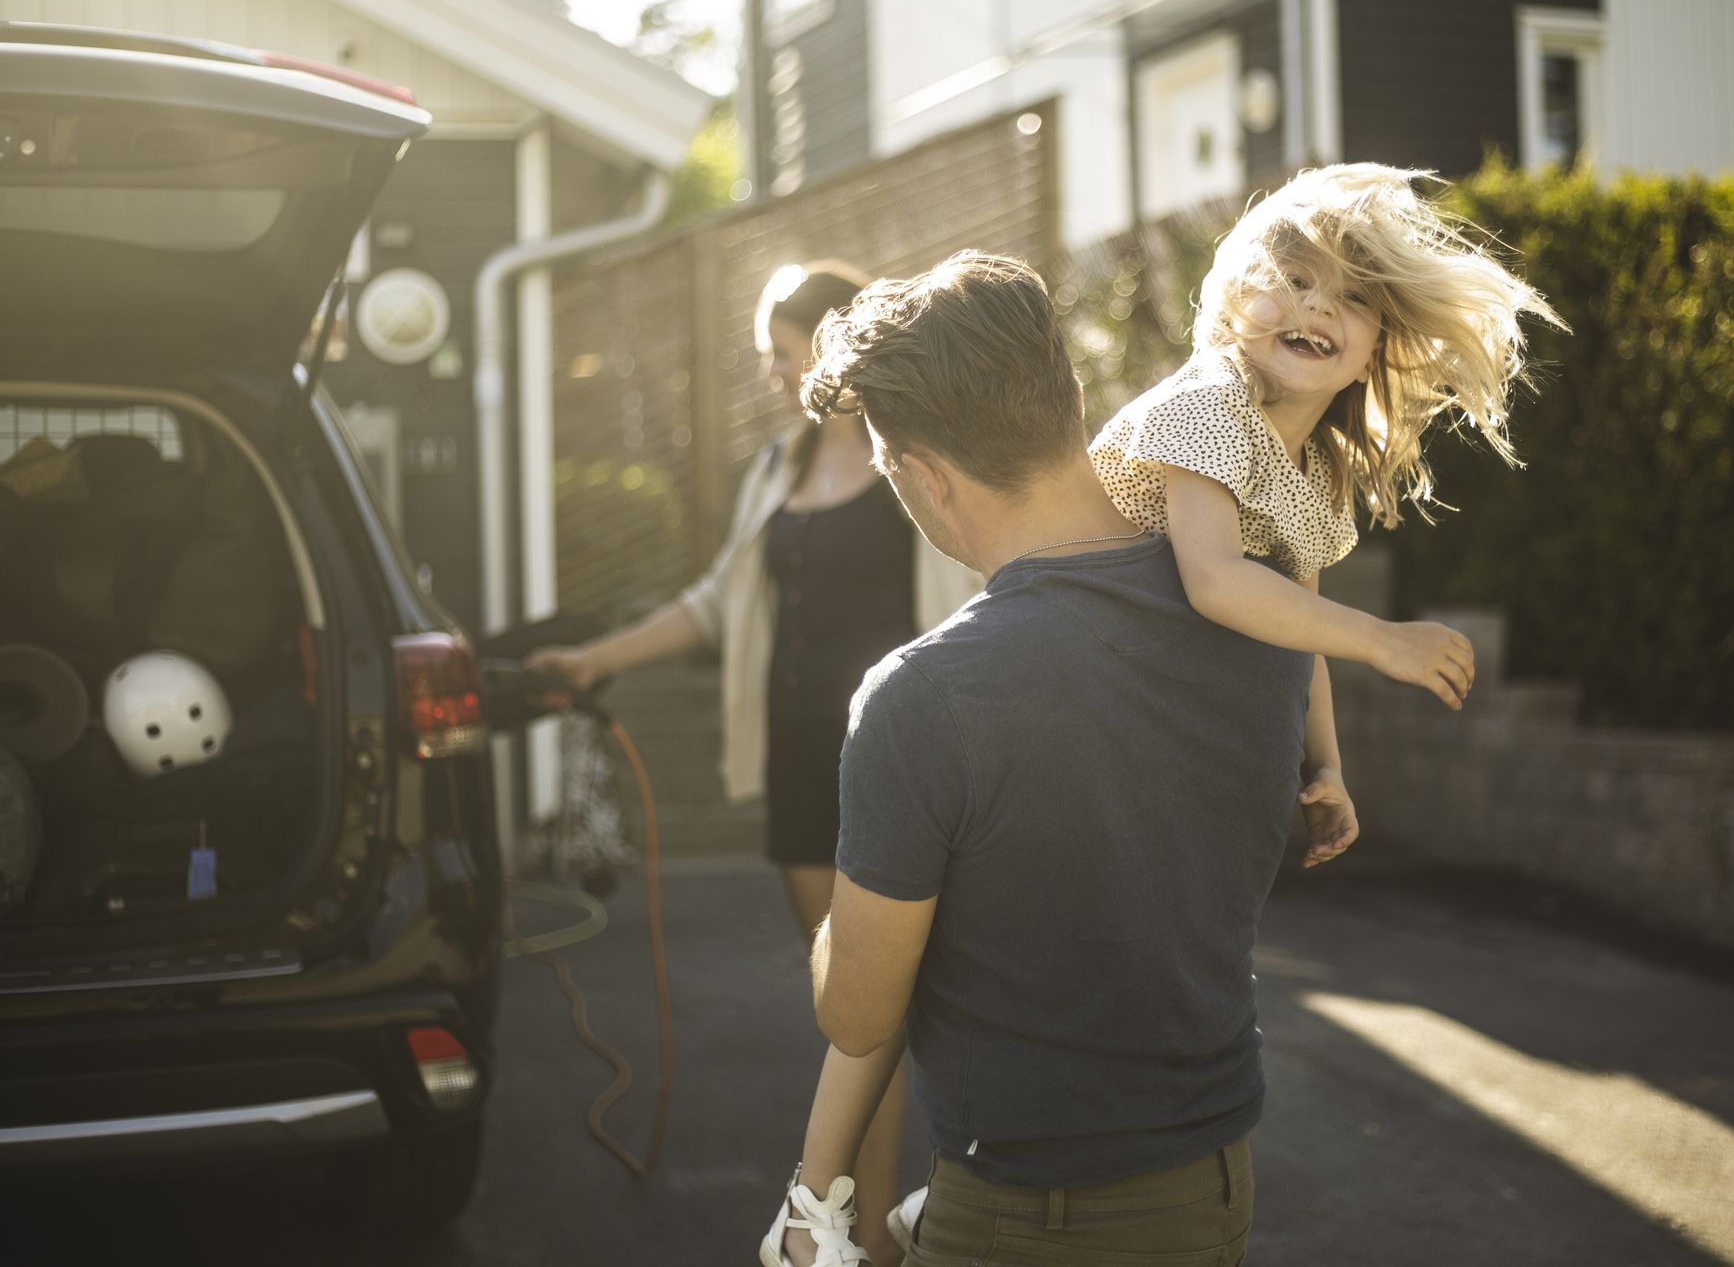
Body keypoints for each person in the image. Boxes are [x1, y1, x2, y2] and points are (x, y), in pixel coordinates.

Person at [761, 252, 1360, 1267]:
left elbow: (856, 1008)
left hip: (1032, 1216)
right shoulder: (1268, 620)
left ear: (924, 478)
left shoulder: (924, 699)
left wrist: (868, 899)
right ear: (1070, 397)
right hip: (1210, 1182)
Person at [526, 261, 977, 1264]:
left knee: (901, 1006)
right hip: (802, 765)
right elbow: (714, 605)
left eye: (786, 354)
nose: (775, 376)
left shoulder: (922, 456)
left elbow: (992, 587)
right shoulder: (776, 471)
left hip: (902, 759)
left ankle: (868, 1233)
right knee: (850, 1009)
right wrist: (593, 659)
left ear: (841, 344)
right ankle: (871, 1225)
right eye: (769, 357)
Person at [1088, 161, 1563, 832]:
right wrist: (1379, 641)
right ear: (1233, 304)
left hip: (1157, 713)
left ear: (1371, 355)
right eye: (1294, 279)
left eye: (1351, 297)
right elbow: (1215, 581)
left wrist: (1327, 769)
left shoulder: (1313, 474)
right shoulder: (1206, 403)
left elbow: (1298, 631)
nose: (1315, 304)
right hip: (1076, 673)